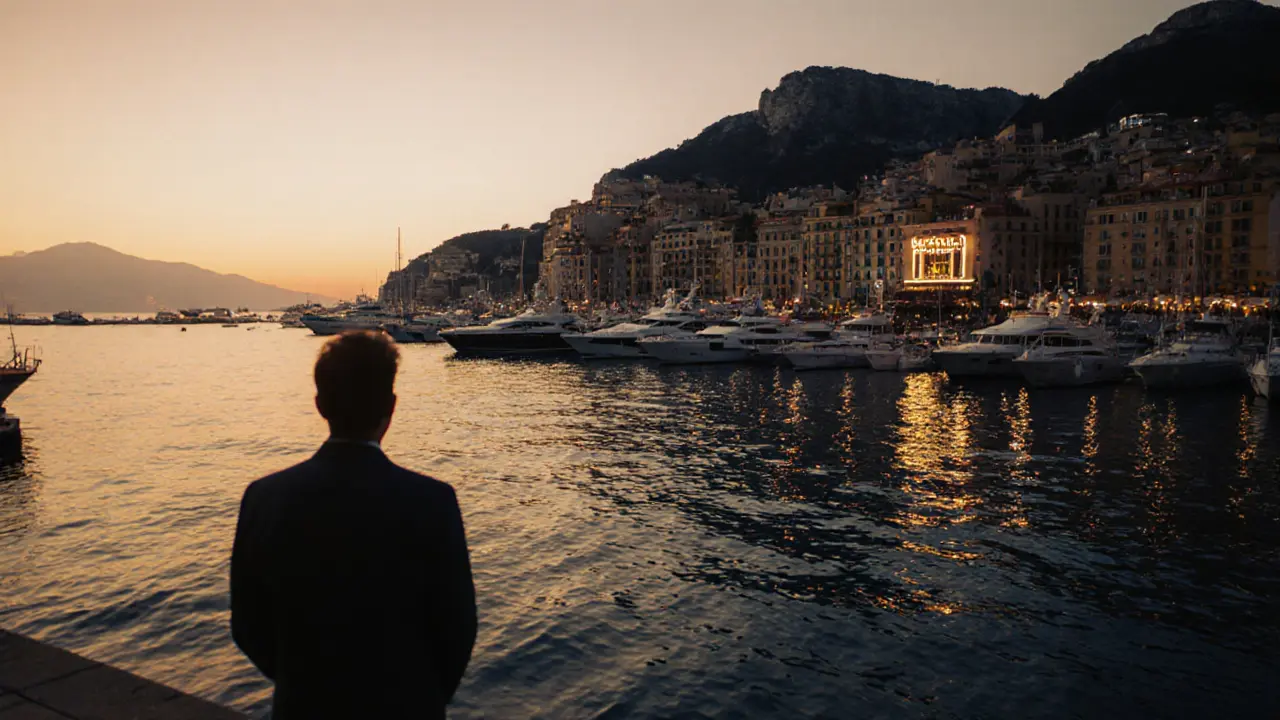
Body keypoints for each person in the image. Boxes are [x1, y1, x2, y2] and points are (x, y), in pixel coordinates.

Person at [231, 331, 476, 718]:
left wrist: (302, 681)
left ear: (319, 404)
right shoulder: (432, 501)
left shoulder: (264, 497)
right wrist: (421, 697)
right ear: (391, 406)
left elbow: (247, 625)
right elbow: (458, 628)